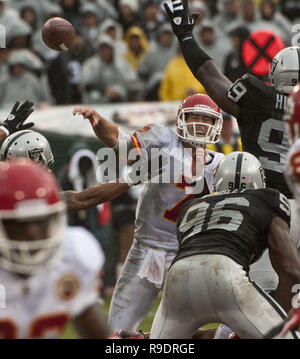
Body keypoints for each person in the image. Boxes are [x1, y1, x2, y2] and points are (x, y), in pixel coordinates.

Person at [164, 0, 300, 293]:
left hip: (263, 207)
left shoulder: (255, 95)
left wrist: (185, 37)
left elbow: (208, 73)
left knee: (258, 293)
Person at [73, 93, 224, 332]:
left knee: (210, 329)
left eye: (205, 119)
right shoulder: (163, 138)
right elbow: (120, 142)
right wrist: (99, 122)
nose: (199, 124)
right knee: (116, 332)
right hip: (148, 249)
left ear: (216, 125)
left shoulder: (221, 165)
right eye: (193, 116)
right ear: (181, 119)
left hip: (190, 255)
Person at [150, 151, 300, 339]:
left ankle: (132, 340)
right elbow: (290, 270)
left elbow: (195, 254)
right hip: (226, 273)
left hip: (177, 277)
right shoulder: (267, 199)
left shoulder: (191, 207)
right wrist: (284, 321)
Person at [0, 158, 109, 339]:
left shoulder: (75, 254)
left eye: (41, 221)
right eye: (19, 224)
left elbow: (92, 326)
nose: (33, 233)